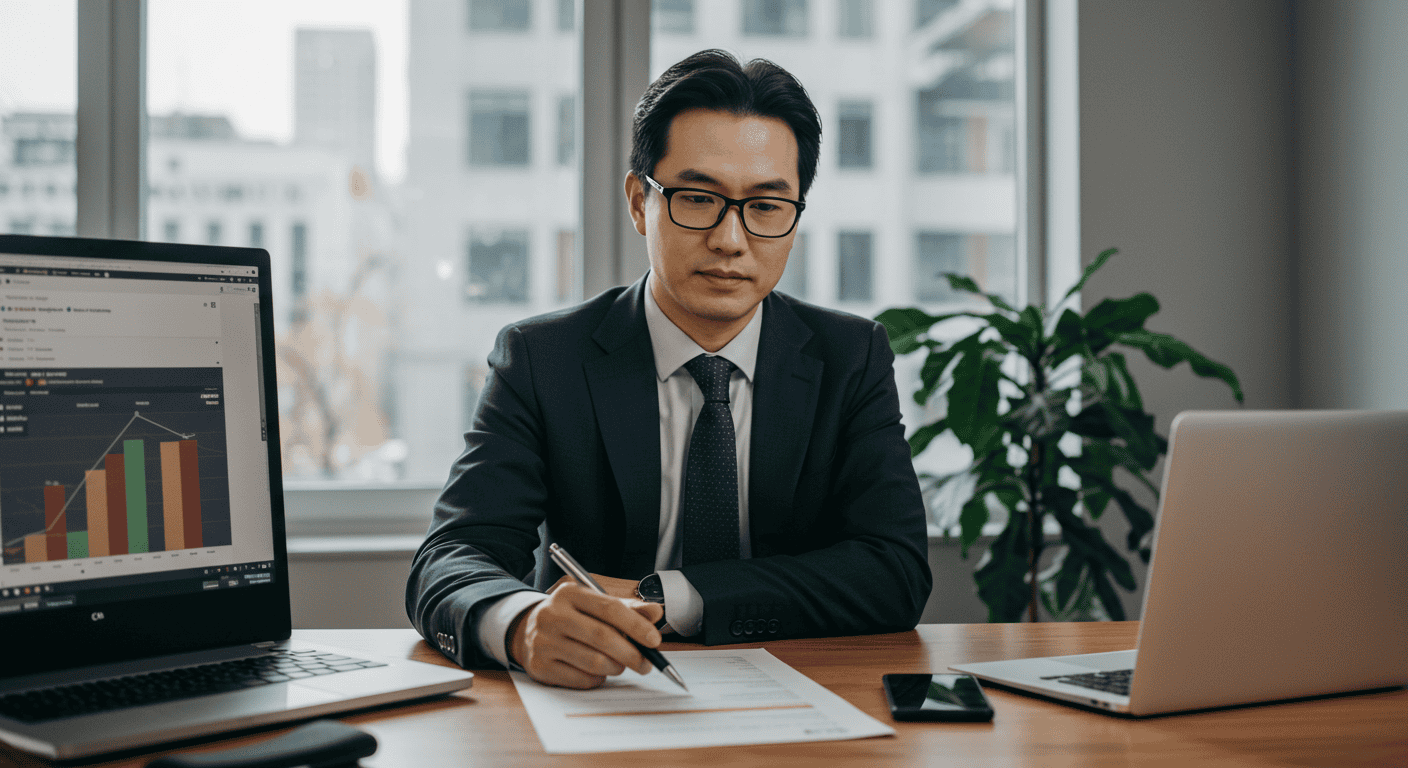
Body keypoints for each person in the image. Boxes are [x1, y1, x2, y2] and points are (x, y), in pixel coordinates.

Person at [406, 49, 931, 689]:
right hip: (595, 695)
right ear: (639, 202)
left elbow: (893, 571)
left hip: (796, 695)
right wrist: (523, 623)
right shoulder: (543, 360)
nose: (730, 240)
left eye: (766, 206)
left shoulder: (851, 357)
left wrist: (671, 595)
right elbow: (451, 558)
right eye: (698, 197)